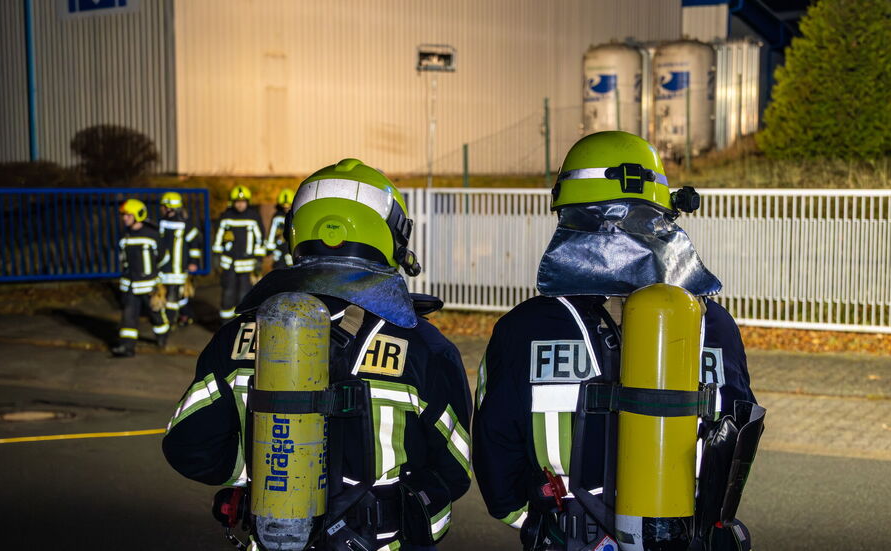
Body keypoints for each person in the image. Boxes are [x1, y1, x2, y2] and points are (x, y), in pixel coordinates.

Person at [472, 131, 762, 550]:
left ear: (567, 211)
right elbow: (739, 440)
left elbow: (494, 446)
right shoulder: (713, 325)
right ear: (665, 212)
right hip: (683, 538)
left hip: (568, 536)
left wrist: (541, 520)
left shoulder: (523, 329)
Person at [163, 159, 472, 551]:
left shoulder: (236, 337)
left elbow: (189, 449)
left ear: (297, 231)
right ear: (393, 234)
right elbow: (455, 469)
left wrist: (269, 475)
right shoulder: (425, 348)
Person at [111, 198, 170, 358]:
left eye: (128, 215)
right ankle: (127, 347)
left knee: (155, 314)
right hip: (129, 285)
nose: (124, 218)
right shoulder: (125, 235)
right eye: (124, 215)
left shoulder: (152, 234)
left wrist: (155, 277)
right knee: (128, 316)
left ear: (138, 215)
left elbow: (163, 258)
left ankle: (162, 336)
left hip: (149, 286)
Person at [212, 185, 265, 321]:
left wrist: (259, 259)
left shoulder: (253, 217)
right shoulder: (226, 217)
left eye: (243, 202)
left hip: (247, 265)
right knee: (227, 294)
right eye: (237, 202)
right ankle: (225, 324)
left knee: (244, 295)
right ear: (232, 202)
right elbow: (218, 237)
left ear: (247, 202)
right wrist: (216, 256)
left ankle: (241, 323)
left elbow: (260, 239)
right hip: (229, 264)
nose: (240, 205)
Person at [157, 191, 202, 326]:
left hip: (177, 268)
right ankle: (186, 316)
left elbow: (195, 242)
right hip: (165, 267)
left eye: (163, 206)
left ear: (169, 208)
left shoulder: (185, 225)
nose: (162, 209)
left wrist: (194, 262)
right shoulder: (161, 223)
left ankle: (170, 324)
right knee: (176, 297)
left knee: (172, 297)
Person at [264, 188, 295, 269]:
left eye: (288, 206)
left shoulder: (297, 215)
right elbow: (272, 233)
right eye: (284, 207)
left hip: (292, 251)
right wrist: (269, 249)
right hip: (279, 252)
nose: (286, 209)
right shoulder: (277, 217)